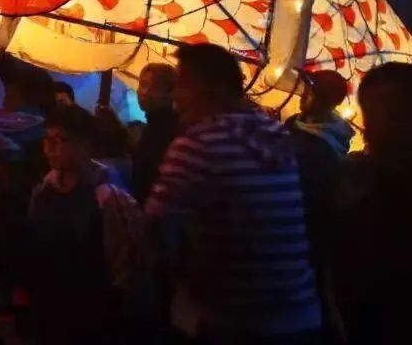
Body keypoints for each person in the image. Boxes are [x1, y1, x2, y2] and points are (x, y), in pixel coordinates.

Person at [146, 44, 322, 343]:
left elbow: (156, 223)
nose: (175, 95)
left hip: (234, 321)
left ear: (218, 89)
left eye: (185, 84)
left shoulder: (199, 142)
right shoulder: (274, 134)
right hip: (300, 314)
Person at [333, 63, 412, 344]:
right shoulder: (370, 198)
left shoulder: (387, 204)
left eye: (392, 116)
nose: (371, 133)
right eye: (372, 118)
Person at [24, 104, 152, 343]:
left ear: (85, 145)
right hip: (49, 313)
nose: (51, 148)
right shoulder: (41, 194)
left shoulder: (109, 200)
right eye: (47, 140)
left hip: (95, 318)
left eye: (62, 140)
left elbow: (125, 266)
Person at [283, 70, 354, 295]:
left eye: (311, 92)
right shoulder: (296, 125)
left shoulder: (319, 151)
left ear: (325, 101)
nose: (303, 95)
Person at [132, 62, 180, 203]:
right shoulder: (153, 125)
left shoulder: (166, 129)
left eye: (149, 86)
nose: (143, 92)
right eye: (141, 84)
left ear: (169, 92)